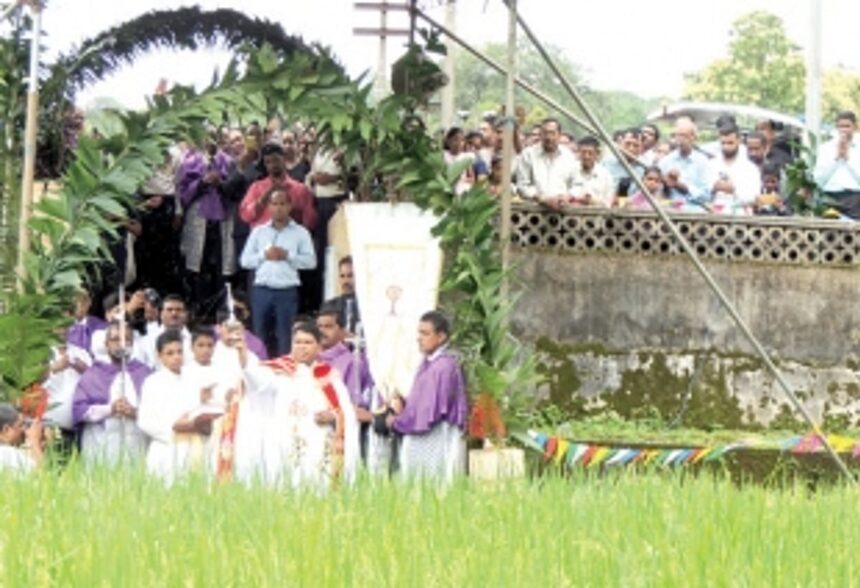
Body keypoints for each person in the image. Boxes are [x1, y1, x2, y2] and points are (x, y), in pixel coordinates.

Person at [235, 321, 359, 488]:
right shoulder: (279, 372)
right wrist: (242, 352)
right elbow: (255, 378)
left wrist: (333, 416)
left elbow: (346, 411)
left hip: (319, 446)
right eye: (298, 342)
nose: (302, 347)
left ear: (318, 347)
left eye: (307, 342)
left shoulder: (329, 377)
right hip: (285, 445)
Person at [385, 311, 468, 483]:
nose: (419, 338)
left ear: (441, 337)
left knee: (433, 484)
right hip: (422, 434)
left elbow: (428, 410)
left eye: (425, 333)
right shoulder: (429, 362)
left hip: (436, 436)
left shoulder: (443, 366)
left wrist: (397, 421)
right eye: (419, 333)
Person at [240, 189, 317, 356]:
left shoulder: (300, 233)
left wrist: (287, 256)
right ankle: (259, 367)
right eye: (274, 204)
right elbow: (244, 261)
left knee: (285, 336)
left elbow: (311, 262)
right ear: (269, 206)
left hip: (286, 291)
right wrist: (264, 255)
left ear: (289, 206)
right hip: (262, 290)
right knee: (259, 334)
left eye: (282, 204)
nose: (278, 208)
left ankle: (285, 367)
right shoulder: (259, 232)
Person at [137, 330, 218, 483]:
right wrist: (174, 428)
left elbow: (199, 412)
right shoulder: (153, 382)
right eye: (170, 353)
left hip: (195, 447)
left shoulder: (193, 378)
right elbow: (145, 421)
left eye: (179, 352)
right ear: (159, 356)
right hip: (166, 449)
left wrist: (202, 422)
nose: (176, 357)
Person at [72, 321, 152, 466]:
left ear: (133, 343)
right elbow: (79, 410)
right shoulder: (93, 374)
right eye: (115, 339)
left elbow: (156, 412)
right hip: (101, 443)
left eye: (127, 339)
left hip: (136, 443)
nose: (121, 344)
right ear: (106, 344)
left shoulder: (145, 373)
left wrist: (135, 412)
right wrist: (110, 409)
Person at [176, 140, 235, 320]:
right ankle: (198, 308)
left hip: (222, 221)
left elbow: (235, 188)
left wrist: (221, 183)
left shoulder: (228, 161)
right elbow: (182, 191)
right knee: (197, 266)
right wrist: (201, 183)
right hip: (198, 219)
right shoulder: (190, 161)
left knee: (220, 266)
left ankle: (219, 310)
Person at [239, 143, 317, 232]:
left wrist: (294, 212)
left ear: (284, 159)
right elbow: (245, 216)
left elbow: (311, 222)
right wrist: (264, 198)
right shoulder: (256, 187)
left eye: (276, 160)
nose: (273, 164)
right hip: (262, 239)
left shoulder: (300, 189)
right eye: (268, 162)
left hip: (290, 238)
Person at [516, 118, 579, 210]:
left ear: (559, 135)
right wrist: (542, 198)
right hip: (533, 212)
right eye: (545, 133)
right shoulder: (528, 154)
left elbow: (577, 185)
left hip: (563, 211)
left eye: (552, 133)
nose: (549, 137)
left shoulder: (569, 156)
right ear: (540, 135)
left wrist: (567, 197)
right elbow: (522, 185)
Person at [814, 111, 860, 219]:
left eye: (847, 126)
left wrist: (847, 159)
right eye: (841, 126)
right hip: (830, 197)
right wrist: (836, 159)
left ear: (854, 127)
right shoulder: (825, 148)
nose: (844, 130)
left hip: (854, 198)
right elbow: (818, 180)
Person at [707, 125, 761, 215]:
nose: (726, 147)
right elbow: (701, 194)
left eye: (730, 143)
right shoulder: (711, 165)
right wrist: (713, 188)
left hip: (740, 217)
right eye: (723, 143)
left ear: (738, 141)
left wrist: (734, 190)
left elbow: (755, 197)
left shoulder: (750, 168)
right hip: (713, 217)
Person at [658, 118, 710, 210]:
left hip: (695, 213)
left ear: (693, 138)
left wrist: (683, 187)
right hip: (670, 212)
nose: (680, 139)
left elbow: (706, 196)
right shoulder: (665, 161)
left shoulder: (702, 162)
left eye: (684, 136)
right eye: (677, 136)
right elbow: (656, 191)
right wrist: (666, 184)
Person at [140, 295, 193, 369]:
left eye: (179, 310)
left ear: (185, 314)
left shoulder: (195, 341)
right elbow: (137, 368)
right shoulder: (146, 341)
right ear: (161, 314)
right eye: (169, 310)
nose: (174, 313)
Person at [570, 136, 615, 207]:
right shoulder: (569, 171)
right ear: (578, 152)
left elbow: (609, 202)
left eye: (590, 153)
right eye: (583, 152)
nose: (586, 156)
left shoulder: (605, 175)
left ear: (597, 154)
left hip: (597, 213)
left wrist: (593, 201)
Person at [322, 255, 360, 333]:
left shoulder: (367, 306)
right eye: (342, 276)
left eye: (350, 276)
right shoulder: (329, 306)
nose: (346, 281)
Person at [0, 404, 43, 472]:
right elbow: (42, 473)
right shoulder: (7, 453)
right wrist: (35, 441)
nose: (24, 429)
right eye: (21, 425)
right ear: (6, 429)